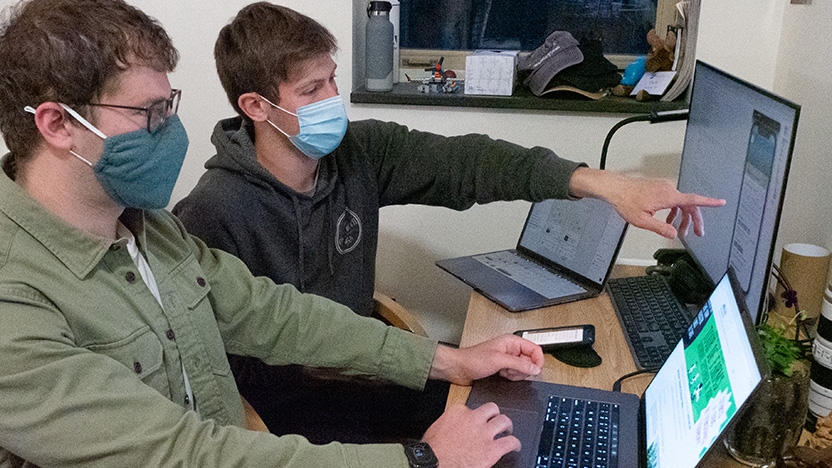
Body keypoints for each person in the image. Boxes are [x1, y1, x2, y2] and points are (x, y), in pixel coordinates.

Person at [0, 1, 547, 467]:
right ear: (58, 124)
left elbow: (273, 314)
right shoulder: (14, 297)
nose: (169, 128)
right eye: (150, 111)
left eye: (170, 105)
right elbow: (187, 454)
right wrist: (417, 458)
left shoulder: (150, 230)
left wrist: (451, 361)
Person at [172, 1, 726, 446]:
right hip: (284, 418)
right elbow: (225, 363)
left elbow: (469, 162)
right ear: (257, 106)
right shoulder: (211, 212)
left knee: (516, 411)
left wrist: (602, 184)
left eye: (333, 81)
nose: (333, 102)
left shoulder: (358, 152)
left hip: (369, 371)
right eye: (311, 91)